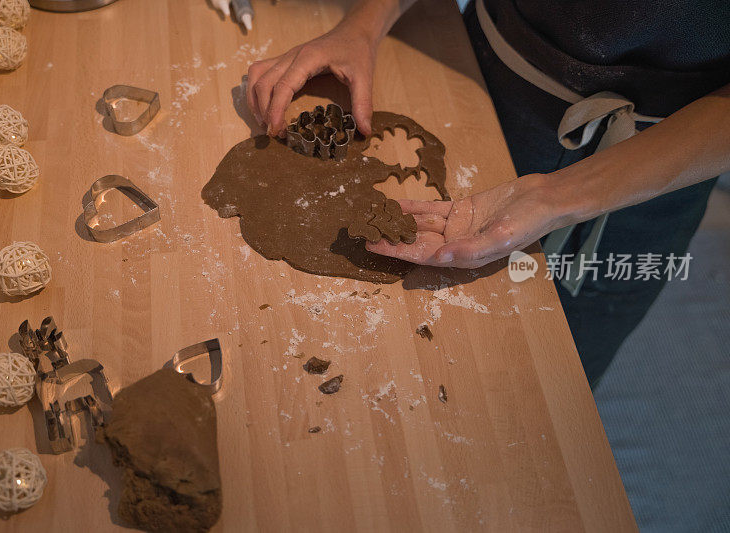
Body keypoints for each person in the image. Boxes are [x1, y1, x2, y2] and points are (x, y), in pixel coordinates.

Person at [246, 0, 730, 385]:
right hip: (486, 82)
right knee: (443, 358)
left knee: (557, 380)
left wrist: (556, 196)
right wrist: (365, 22)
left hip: (665, 163)